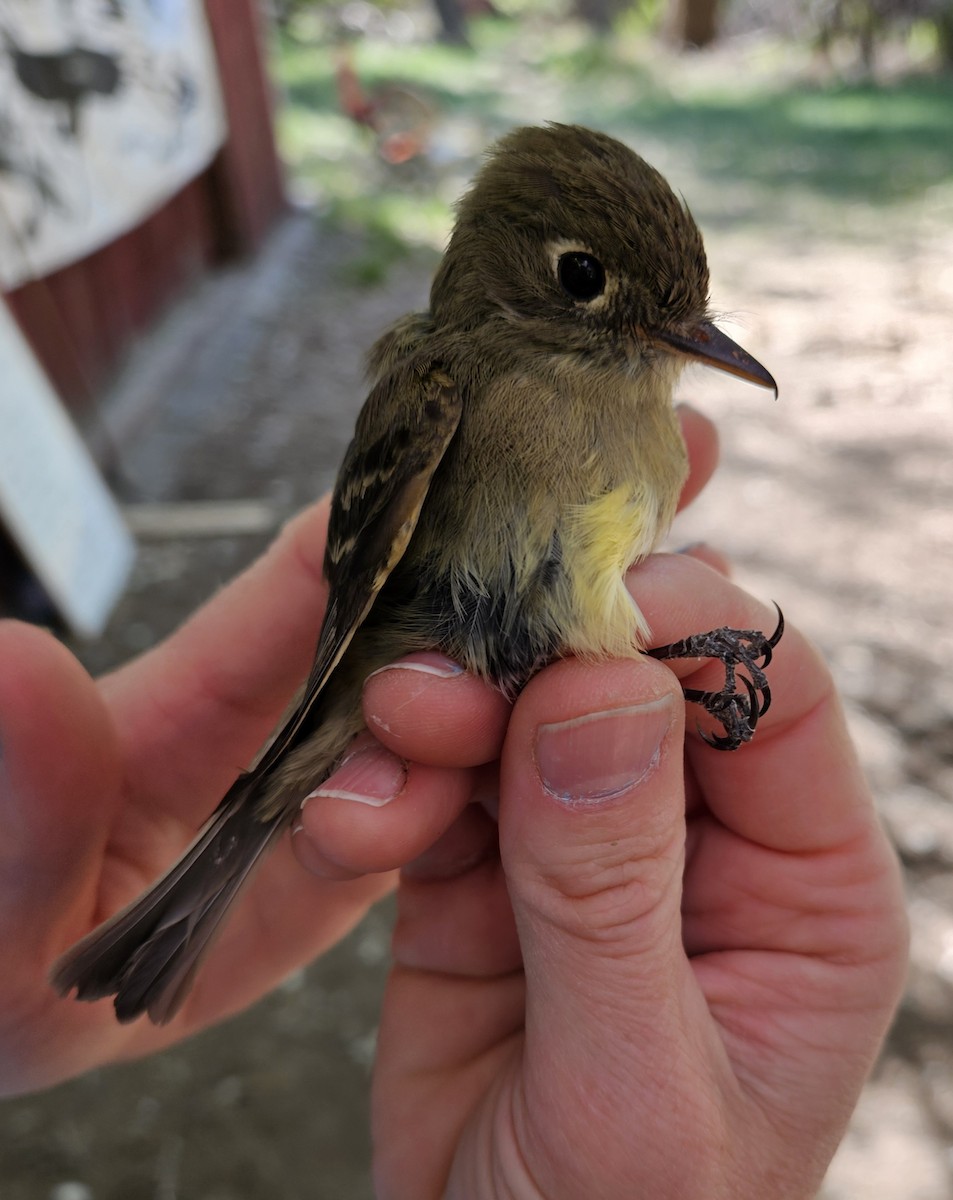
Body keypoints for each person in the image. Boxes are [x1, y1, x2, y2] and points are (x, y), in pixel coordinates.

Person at [0, 407, 907, 1198]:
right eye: (587, 283)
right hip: (436, 641)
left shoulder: (639, 423)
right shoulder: (456, 386)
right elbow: (400, 592)